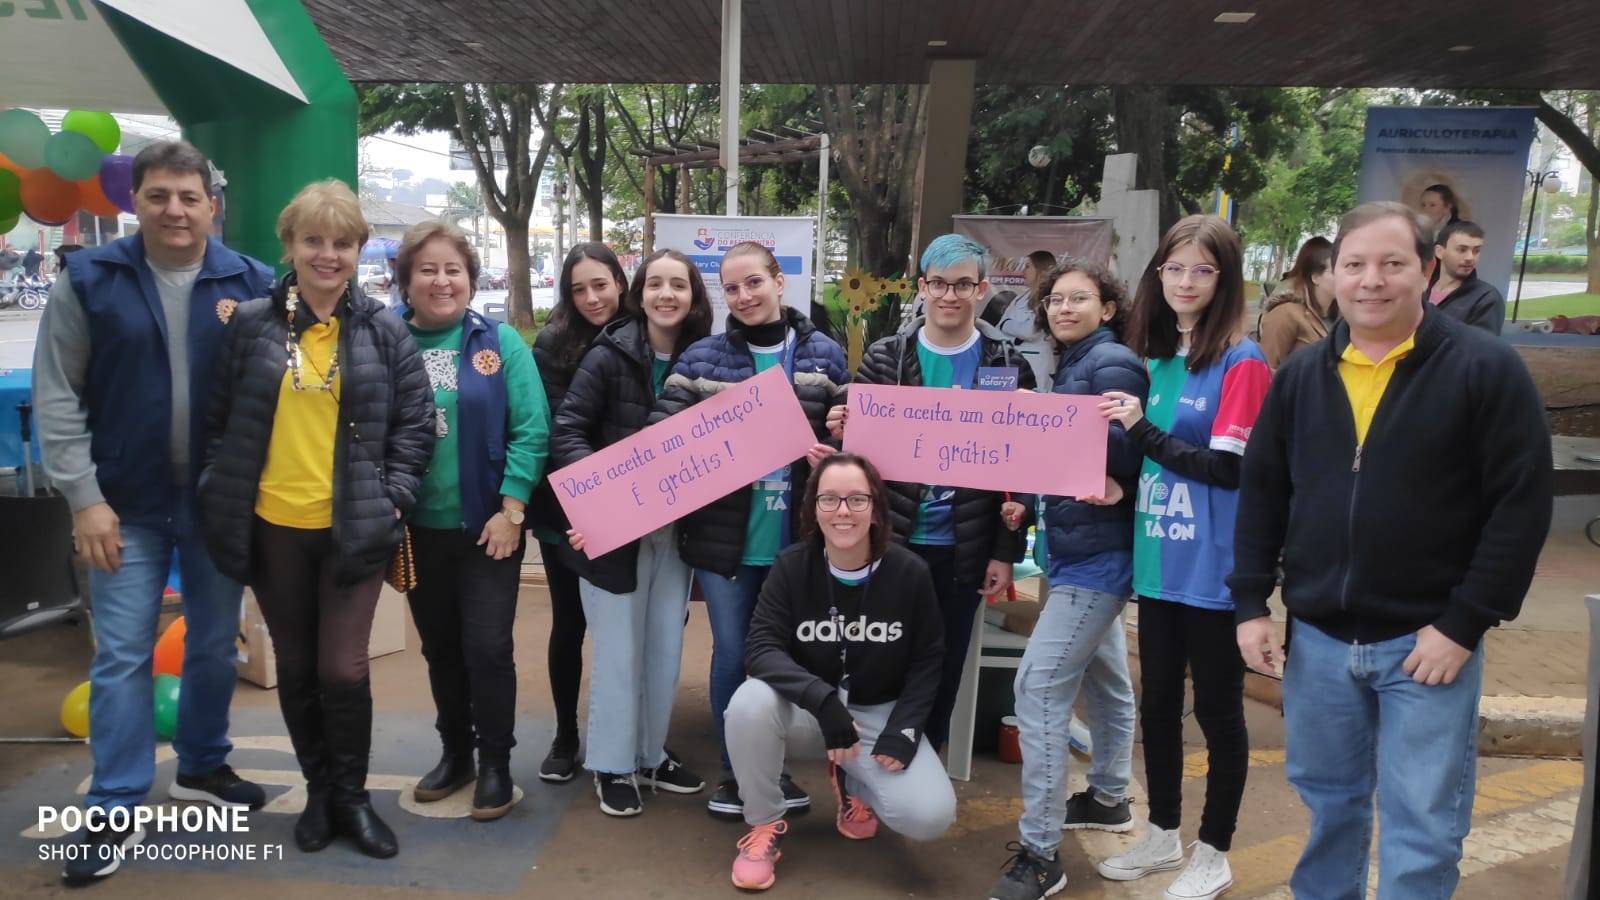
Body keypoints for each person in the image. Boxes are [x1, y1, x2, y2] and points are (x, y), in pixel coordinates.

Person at [1232, 201, 1553, 899]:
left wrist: (1463, 623)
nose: (1370, 280)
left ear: (1428, 271)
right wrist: (1250, 603)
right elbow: (1263, 493)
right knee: (1329, 811)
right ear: (1332, 276)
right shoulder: (1302, 377)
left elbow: (1520, 507)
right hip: (1318, 643)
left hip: (1427, 647)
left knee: (1423, 828)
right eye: (1353, 265)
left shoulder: (1485, 369)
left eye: (1392, 263)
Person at [32, 140, 274, 885]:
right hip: (122, 508)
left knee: (212, 646)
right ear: (134, 201)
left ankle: (201, 764)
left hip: (216, 504)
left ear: (212, 206)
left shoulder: (251, 282)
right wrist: (84, 499)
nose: (175, 210)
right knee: (122, 655)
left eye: (189, 197)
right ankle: (113, 803)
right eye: (159, 195)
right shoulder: (90, 279)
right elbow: (57, 393)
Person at [200, 179, 434, 859]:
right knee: (298, 668)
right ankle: (320, 792)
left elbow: (416, 425)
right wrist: (220, 485)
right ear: (290, 245)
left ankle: (353, 799)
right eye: (313, 240)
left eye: (341, 242)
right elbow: (218, 421)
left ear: (358, 250)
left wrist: (394, 497)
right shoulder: (251, 324)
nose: (327, 255)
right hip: (272, 528)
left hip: (355, 529)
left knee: (342, 669)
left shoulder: (384, 329)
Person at [1095, 214, 1271, 900]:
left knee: (1220, 716)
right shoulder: (1157, 359)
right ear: (1157, 275)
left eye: (1203, 270)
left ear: (1225, 280)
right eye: (1175, 268)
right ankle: (1163, 832)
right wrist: (1119, 483)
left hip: (1214, 571)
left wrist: (1140, 430)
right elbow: (1155, 462)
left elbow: (1227, 469)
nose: (1186, 282)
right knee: (1159, 705)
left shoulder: (1242, 361)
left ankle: (1214, 850)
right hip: (1159, 564)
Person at [650, 240, 847, 817]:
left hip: (800, 543)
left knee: (788, 658)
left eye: (754, 282)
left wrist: (835, 441)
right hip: (727, 544)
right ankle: (736, 775)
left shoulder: (825, 355)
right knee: (734, 655)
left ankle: (773, 770)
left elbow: (852, 442)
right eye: (731, 288)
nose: (743, 296)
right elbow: (663, 439)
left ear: (779, 281)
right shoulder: (701, 359)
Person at [824, 233, 1030, 752]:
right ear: (922, 287)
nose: (949, 295)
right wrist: (843, 431)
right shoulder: (886, 357)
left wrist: (1005, 552)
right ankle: (862, 767)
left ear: (981, 289)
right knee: (874, 658)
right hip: (891, 542)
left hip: (963, 549)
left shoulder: (1004, 361)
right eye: (938, 283)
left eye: (962, 284)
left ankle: (923, 763)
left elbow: (1021, 470)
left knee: (942, 664)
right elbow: (858, 459)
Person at [988, 257, 1148, 900]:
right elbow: (1072, 457)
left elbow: (1126, 448)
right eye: (1054, 299)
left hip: (1096, 561)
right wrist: (1031, 503)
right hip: (1076, 550)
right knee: (1106, 678)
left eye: (1078, 298)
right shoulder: (1081, 363)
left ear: (1107, 308)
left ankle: (1041, 853)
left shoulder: (1111, 363)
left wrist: (1046, 415)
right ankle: (1108, 797)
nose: (1062, 308)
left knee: (1037, 686)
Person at [726, 452, 955, 891]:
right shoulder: (792, 565)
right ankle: (764, 824)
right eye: (829, 499)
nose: (843, 511)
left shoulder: (909, 572)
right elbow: (761, 649)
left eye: (856, 499)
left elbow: (929, 658)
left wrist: (905, 729)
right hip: (809, 712)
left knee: (930, 817)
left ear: (876, 508)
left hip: (876, 715)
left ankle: (855, 784)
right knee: (748, 704)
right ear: (813, 508)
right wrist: (822, 699)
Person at [396, 220, 551, 821]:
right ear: (406, 280)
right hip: (416, 529)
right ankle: (455, 753)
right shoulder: (387, 340)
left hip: (491, 529)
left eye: (453, 270)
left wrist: (512, 508)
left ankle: (495, 764)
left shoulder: (499, 342)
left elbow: (531, 429)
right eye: (427, 270)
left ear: (470, 279)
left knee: (487, 648)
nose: (442, 281)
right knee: (440, 649)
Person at [552, 249, 713, 816]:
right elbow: (566, 431)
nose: (667, 294)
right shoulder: (609, 353)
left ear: (694, 296)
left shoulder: (707, 356)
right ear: (638, 294)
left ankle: (649, 754)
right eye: (655, 284)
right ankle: (612, 764)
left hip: (678, 528)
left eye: (679, 285)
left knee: (664, 646)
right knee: (619, 650)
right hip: (614, 529)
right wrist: (599, 500)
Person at [528, 241, 628, 782]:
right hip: (565, 511)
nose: (592, 298)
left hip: (638, 507)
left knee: (637, 627)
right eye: (579, 289)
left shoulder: (644, 332)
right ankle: (566, 734)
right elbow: (553, 428)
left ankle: (634, 734)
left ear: (620, 283)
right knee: (570, 621)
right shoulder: (552, 343)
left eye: (600, 285)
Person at [1257, 237, 1336, 368]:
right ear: (1316, 277)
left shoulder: (1342, 317)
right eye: (1335, 271)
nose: (1343, 277)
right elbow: (1265, 368)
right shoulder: (1286, 314)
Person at [992, 248, 1061, 391]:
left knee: (1034, 401)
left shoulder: (1050, 297)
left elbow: (1030, 331)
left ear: (1040, 270)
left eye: (1028, 266)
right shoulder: (1021, 297)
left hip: (1037, 362)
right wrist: (1010, 328)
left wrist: (1007, 324)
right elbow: (999, 327)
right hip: (1013, 359)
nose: (1023, 271)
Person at [1427, 220, 1505, 335]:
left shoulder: (1487, 298)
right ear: (1439, 252)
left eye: (1476, 251)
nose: (1470, 257)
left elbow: (1481, 344)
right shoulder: (1420, 290)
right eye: (1462, 250)